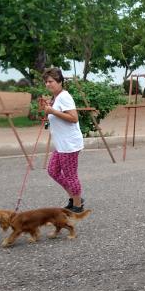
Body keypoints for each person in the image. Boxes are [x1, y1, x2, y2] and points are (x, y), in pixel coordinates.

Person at [39, 68, 85, 213]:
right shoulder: (56, 97)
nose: (48, 84)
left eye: (51, 81)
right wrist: (50, 108)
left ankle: (77, 205)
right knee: (53, 171)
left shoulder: (64, 96)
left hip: (69, 144)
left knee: (71, 176)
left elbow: (73, 118)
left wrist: (53, 111)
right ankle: (75, 196)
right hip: (61, 144)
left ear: (60, 81)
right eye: (46, 82)